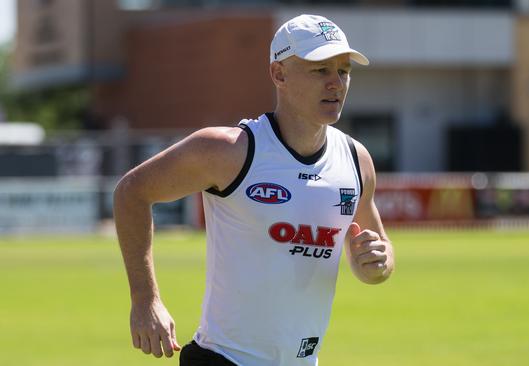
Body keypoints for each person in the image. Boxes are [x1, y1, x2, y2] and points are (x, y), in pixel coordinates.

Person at [113, 14, 395, 366]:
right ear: (279, 74)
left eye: (343, 71)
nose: (336, 83)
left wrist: (375, 264)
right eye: (320, 70)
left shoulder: (356, 160)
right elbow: (132, 192)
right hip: (223, 359)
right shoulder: (227, 151)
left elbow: (377, 256)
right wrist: (145, 300)